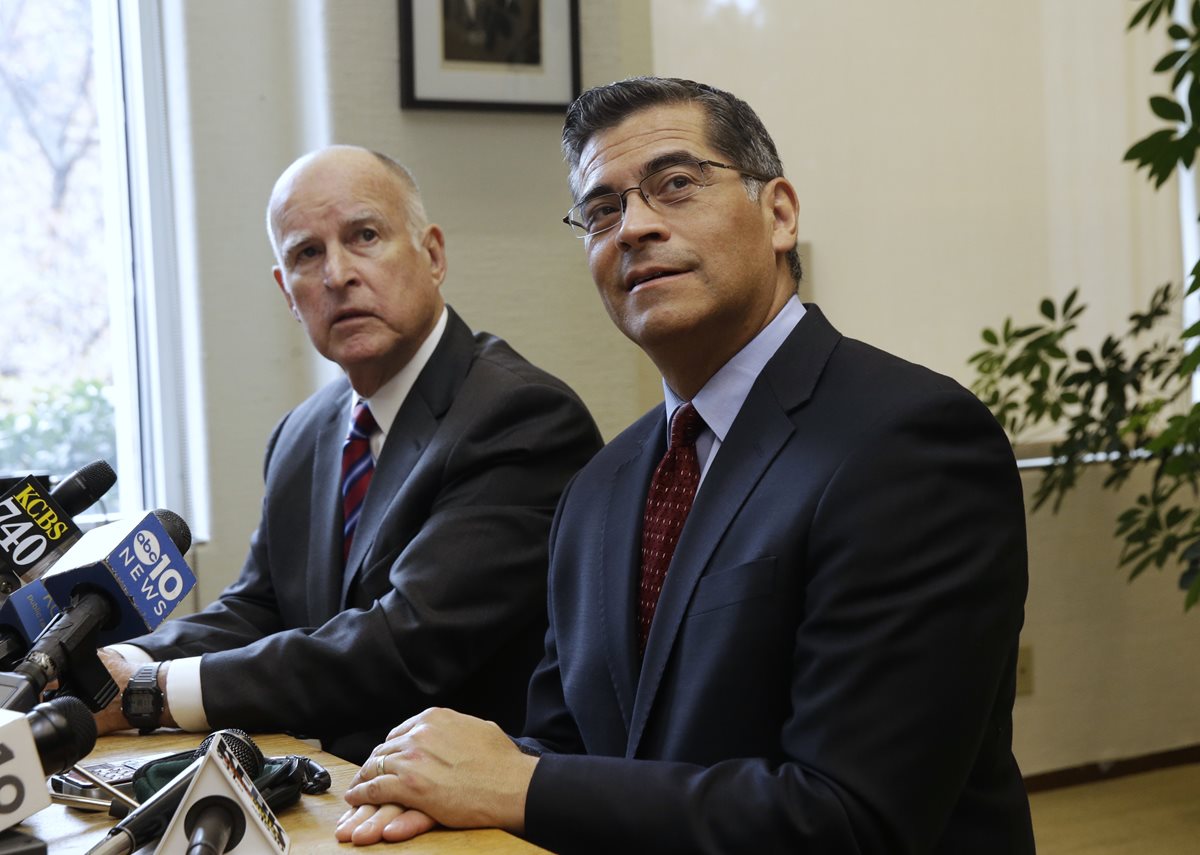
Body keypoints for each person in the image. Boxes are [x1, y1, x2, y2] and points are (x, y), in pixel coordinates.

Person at [337, 78, 1035, 853]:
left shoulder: (911, 442)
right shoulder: (598, 487)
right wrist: (430, 791)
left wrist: (515, 782)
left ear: (779, 214)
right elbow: (568, 755)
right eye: (601, 210)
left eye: (674, 185)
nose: (633, 226)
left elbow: (848, 817)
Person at [92, 145, 602, 763]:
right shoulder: (302, 432)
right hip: (328, 785)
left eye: (365, 236)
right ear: (288, 291)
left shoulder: (519, 416)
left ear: (433, 255)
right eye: (308, 253)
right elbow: (260, 606)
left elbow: (407, 645)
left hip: (465, 808)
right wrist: (128, 660)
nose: (338, 274)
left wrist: (155, 692)